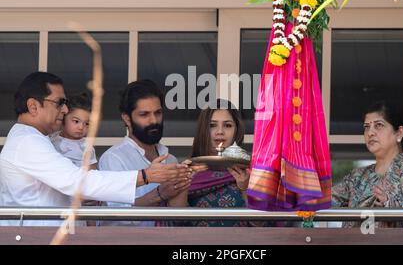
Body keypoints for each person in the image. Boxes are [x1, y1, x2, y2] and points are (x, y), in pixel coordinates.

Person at [0, 72, 191, 226]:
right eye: (59, 103)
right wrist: (146, 176)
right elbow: (77, 182)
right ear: (33, 106)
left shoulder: (33, 139)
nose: (65, 110)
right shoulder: (27, 142)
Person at [98, 79, 207, 226]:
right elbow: (118, 215)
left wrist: (184, 183)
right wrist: (160, 194)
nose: (154, 120)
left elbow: (176, 218)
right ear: (127, 118)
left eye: (158, 113)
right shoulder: (113, 159)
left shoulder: (170, 159)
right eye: (144, 114)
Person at [332, 101, 403, 228]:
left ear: (399, 133)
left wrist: (390, 204)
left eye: (378, 125)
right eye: (367, 127)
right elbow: (324, 202)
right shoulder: (357, 177)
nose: (370, 133)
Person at [185, 99, 251, 227]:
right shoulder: (189, 169)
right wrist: (185, 182)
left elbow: (261, 224)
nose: (220, 131)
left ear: (237, 130)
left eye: (227, 125)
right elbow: (176, 224)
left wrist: (245, 187)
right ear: (203, 130)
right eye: (212, 125)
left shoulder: (250, 170)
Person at [50, 93, 97, 169]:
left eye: (87, 123)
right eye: (76, 121)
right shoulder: (51, 140)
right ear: (64, 117)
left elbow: (92, 171)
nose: (81, 127)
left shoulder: (87, 147)